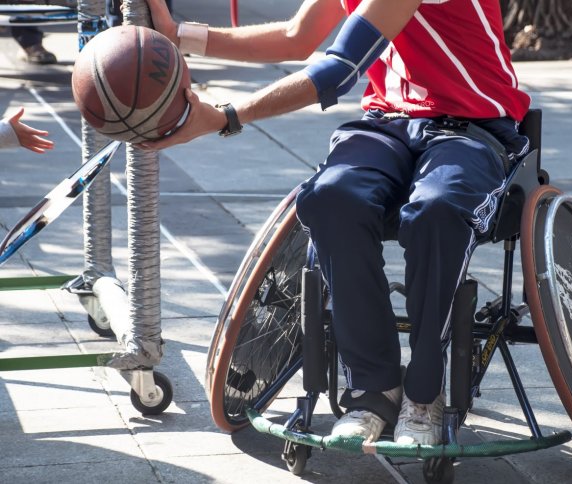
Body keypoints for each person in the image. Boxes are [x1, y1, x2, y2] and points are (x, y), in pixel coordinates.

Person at [141, 0, 531, 445]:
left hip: (473, 127)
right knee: (330, 198)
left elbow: (336, 72)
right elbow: (297, 37)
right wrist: (179, 37)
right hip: (390, 121)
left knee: (436, 211)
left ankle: (425, 395)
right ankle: (374, 388)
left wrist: (227, 116)